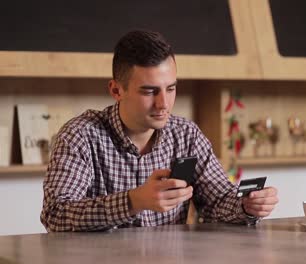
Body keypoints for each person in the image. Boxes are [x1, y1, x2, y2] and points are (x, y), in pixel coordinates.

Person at [40, 30, 279, 232]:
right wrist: (133, 201)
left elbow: (217, 202)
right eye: (149, 91)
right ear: (116, 90)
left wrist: (247, 205)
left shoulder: (186, 135)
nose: (163, 104)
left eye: (171, 88)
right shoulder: (80, 135)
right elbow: (55, 215)